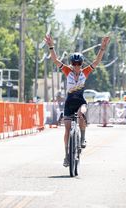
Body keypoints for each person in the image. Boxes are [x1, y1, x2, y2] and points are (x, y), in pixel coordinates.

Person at [44, 34, 110, 167]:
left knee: (82, 113)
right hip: (69, 102)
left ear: (82, 64)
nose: (76, 66)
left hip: (80, 100)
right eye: (74, 63)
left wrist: (102, 48)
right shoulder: (67, 71)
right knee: (67, 130)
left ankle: (83, 137)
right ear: (71, 64)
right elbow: (56, 60)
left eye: (79, 63)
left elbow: (96, 62)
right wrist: (51, 46)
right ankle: (67, 156)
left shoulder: (85, 72)